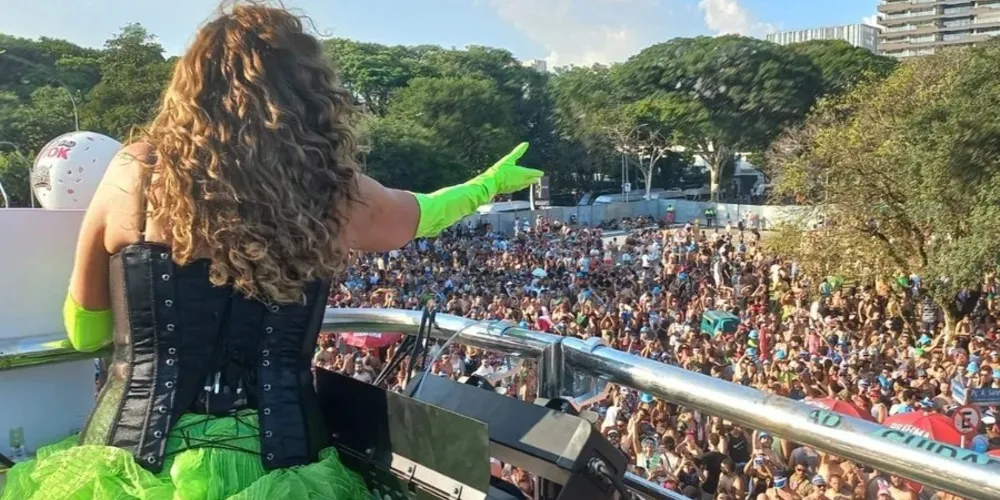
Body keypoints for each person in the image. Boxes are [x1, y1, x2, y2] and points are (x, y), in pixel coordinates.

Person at [0, 5, 540, 500]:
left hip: (128, 463)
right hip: (283, 465)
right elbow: (420, 213)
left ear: (190, 87)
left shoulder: (132, 174)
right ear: (308, 95)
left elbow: (86, 332)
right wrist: (488, 184)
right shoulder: (330, 190)